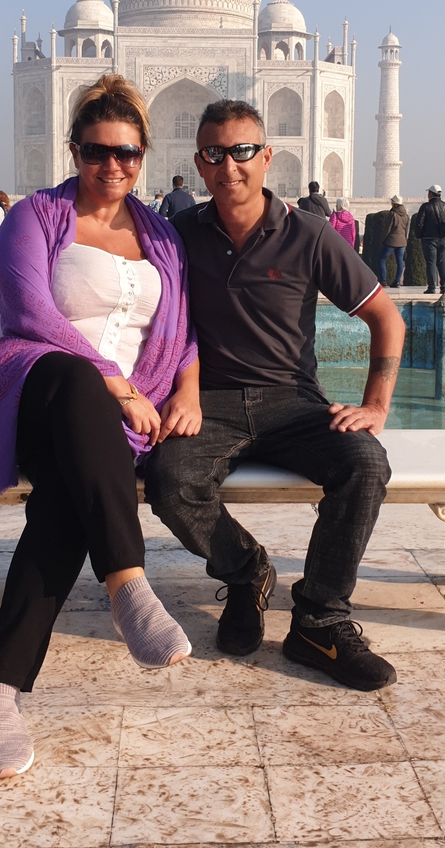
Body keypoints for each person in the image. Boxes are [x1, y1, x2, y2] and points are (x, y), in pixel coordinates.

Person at [0, 74, 201, 780]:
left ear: (144, 154)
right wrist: (118, 383)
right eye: (98, 151)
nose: (112, 166)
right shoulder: (37, 215)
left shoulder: (161, 236)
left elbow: (183, 330)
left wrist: (186, 391)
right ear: (74, 149)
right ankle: (126, 579)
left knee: (65, 497)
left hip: (105, 420)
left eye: (126, 153)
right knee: (73, 377)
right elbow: (30, 314)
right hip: (17, 385)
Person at [143, 98, 405, 693]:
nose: (228, 166)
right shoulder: (179, 234)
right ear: (199, 163)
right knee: (168, 480)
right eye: (214, 154)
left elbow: (387, 319)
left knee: (364, 463)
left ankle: (319, 618)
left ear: (266, 159)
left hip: (290, 399)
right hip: (208, 401)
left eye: (241, 152)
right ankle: (245, 572)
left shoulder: (308, 235)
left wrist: (376, 405)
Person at [415, 185, 445, 295]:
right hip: (443, 239)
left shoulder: (425, 207)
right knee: (442, 262)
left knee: (431, 263)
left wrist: (419, 236)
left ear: (431, 194)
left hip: (429, 239)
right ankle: (444, 287)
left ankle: (432, 287)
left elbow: (419, 223)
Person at [378, 196, 409, 287]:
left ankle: (383, 281)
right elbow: (406, 230)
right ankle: (397, 282)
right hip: (402, 242)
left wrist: (382, 240)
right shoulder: (406, 215)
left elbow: (387, 229)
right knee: (400, 262)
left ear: (395, 204)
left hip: (391, 241)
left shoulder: (393, 214)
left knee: (381, 260)